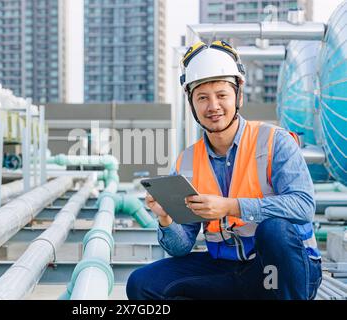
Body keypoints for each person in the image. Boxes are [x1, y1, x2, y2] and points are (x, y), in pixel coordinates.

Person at [126, 40, 322, 300]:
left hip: (280, 272)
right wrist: (166, 219)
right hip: (230, 269)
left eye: (221, 95)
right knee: (142, 284)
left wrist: (231, 206)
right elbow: (181, 246)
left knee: (274, 229)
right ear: (192, 103)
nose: (213, 106)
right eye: (203, 98)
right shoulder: (186, 162)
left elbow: (303, 206)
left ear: (238, 95)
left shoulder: (275, 141)